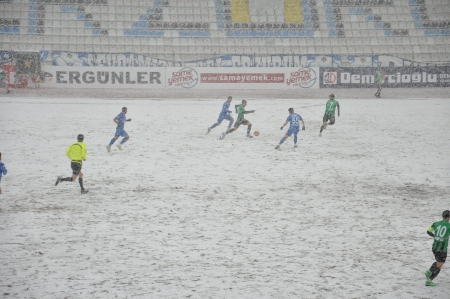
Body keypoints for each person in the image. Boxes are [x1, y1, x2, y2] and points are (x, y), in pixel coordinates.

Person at [424, 210, 450, 286]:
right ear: (449, 218)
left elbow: (428, 231)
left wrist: (435, 237)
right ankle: (429, 275)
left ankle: (429, 276)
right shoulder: (449, 226)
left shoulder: (436, 223)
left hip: (434, 247)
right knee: (440, 264)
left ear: (442, 216)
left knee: (438, 262)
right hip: (442, 248)